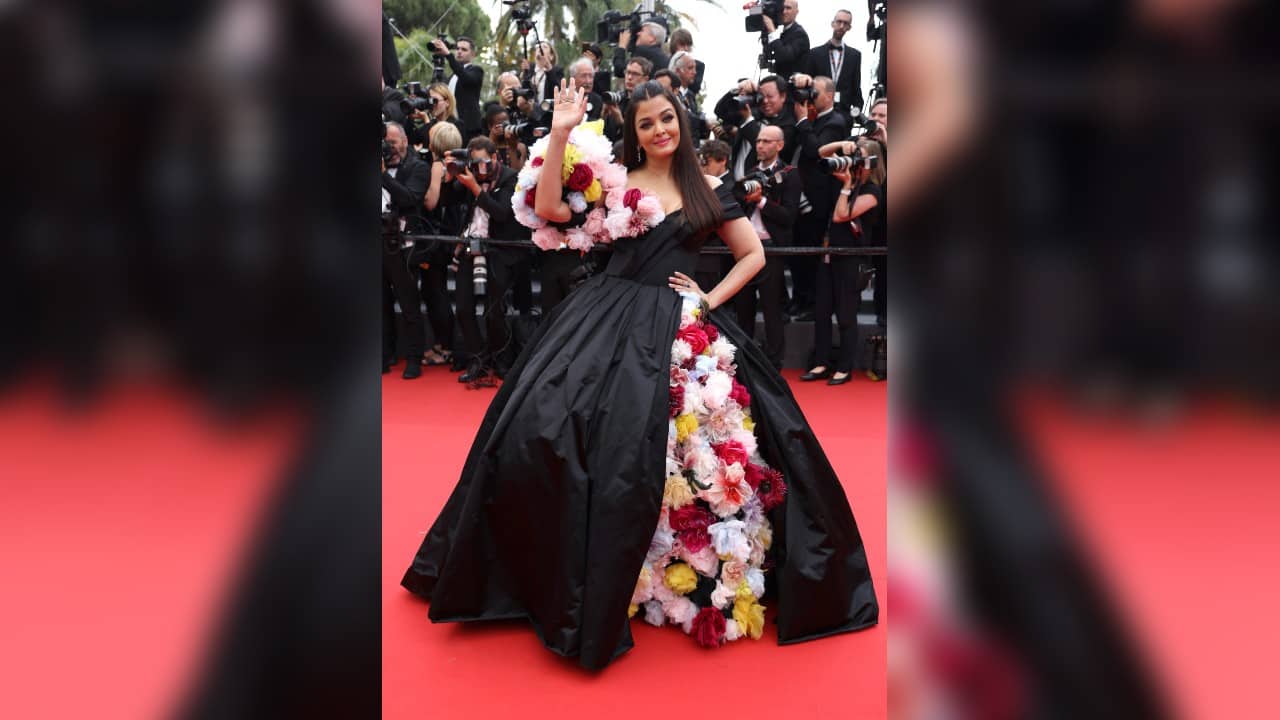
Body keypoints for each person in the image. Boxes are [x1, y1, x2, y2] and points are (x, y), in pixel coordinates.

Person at [402, 78, 878, 670]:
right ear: (634, 132)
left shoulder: (708, 186)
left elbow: (752, 255)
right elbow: (549, 210)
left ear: (681, 120)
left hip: (679, 321)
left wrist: (708, 300)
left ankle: (682, 558)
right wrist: (559, 133)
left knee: (702, 441)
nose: (659, 131)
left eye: (666, 119)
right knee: (549, 425)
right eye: (646, 123)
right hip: (602, 315)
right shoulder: (615, 179)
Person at [440, 137, 532, 382]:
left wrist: (475, 189)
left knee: (495, 311)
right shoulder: (470, 175)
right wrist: (449, 179)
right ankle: (478, 360)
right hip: (470, 247)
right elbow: (446, 201)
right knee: (462, 307)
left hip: (499, 250)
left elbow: (502, 213)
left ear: (494, 158)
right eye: (474, 162)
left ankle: (501, 362)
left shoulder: (511, 178)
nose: (479, 168)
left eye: (484, 162)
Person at [802, 136, 885, 384]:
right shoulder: (839, 176)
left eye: (857, 156)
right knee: (822, 312)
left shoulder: (873, 191)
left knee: (846, 316)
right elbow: (820, 154)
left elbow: (841, 215)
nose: (851, 161)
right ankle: (821, 363)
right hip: (828, 255)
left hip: (851, 259)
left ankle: (844, 367)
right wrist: (842, 145)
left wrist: (847, 186)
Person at [733, 124, 800, 369]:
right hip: (745, 247)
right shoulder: (750, 173)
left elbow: (789, 216)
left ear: (780, 145)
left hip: (771, 249)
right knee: (743, 307)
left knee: (772, 309)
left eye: (766, 141)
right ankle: (742, 360)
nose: (760, 145)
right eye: (758, 141)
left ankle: (774, 363)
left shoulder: (790, 174)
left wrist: (761, 200)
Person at [381, 122, 429, 379]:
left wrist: (383, 176)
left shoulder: (417, 167)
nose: (390, 147)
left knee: (409, 304)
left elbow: (410, 199)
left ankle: (414, 357)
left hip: (402, 245)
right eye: (385, 142)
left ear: (405, 141)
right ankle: (384, 355)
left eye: (394, 141)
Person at [801, 9, 864, 119]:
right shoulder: (814, 53)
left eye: (845, 23)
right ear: (832, 24)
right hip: (817, 113)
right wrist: (810, 113)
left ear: (849, 28)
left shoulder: (855, 55)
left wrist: (855, 112)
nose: (841, 26)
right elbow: (808, 84)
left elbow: (856, 87)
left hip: (843, 115)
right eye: (839, 22)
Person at [431, 36, 483, 140]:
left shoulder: (476, 70)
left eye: (464, 49)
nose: (459, 52)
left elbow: (465, 78)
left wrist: (448, 55)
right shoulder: (453, 76)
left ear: (473, 54)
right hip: (452, 125)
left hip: (469, 128)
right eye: (457, 48)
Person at [761, 0, 809, 78]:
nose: (784, 12)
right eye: (782, 8)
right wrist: (766, 32)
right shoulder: (786, 31)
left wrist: (771, 29)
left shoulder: (799, 34)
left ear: (796, 12)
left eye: (788, 8)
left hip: (793, 86)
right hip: (782, 83)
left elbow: (784, 55)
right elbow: (769, 55)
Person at [667, 28, 705, 95]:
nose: (686, 48)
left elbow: (694, 88)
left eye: (688, 45)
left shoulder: (698, 66)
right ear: (674, 45)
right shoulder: (665, 61)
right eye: (682, 45)